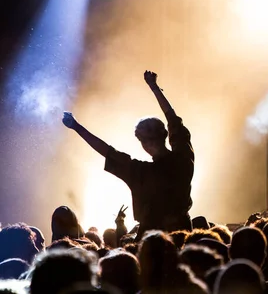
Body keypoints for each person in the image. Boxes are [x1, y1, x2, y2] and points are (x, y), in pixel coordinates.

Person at [62, 70, 194, 240]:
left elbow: (106, 151)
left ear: (144, 144)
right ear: (165, 134)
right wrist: (154, 87)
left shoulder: (139, 172)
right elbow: (173, 119)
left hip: (150, 240)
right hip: (183, 233)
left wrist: (75, 126)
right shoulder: (184, 158)